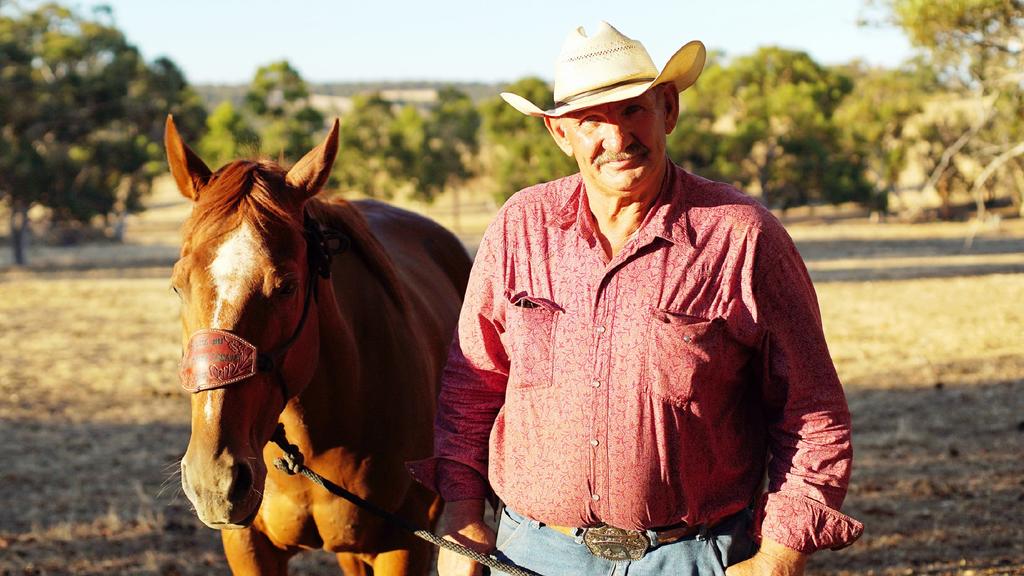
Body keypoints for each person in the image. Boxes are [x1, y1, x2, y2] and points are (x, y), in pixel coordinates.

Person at [408, 21, 863, 576]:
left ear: (667, 109)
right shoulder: (519, 227)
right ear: (560, 134)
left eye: (633, 111)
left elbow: (812, 410)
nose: (617, 138)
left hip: (693, 556)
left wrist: (780, 556)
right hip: (531, 551)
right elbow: (472, 383)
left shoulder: (741, 236)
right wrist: (462, 513)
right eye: (590, 121)